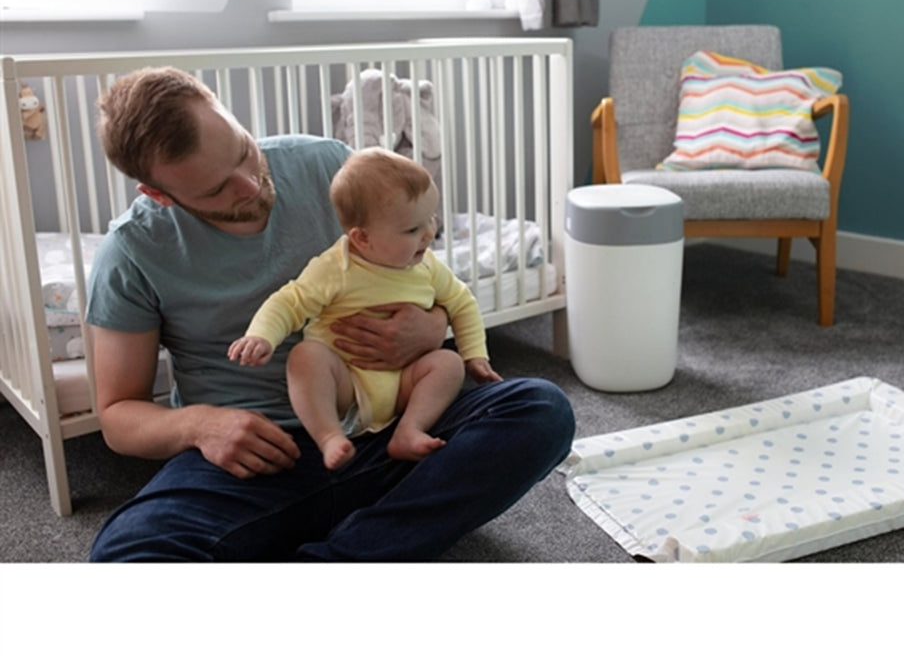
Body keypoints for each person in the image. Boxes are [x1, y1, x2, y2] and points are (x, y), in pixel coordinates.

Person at [85, 66, 575, 562]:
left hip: (388, 426)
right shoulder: (131, 253)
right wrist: (199, 426)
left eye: (244, 151)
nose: (250, 186)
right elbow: (119, 415)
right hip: (259, 458)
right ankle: (374, 541)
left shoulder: (327, 165)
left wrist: (433, 327)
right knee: (126, 554)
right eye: (216, 190)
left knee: (541, 409)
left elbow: (424, 274)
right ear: (159, 195)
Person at [228, 147, 502, 468]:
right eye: (412, 230)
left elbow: (462, 302)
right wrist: (261, 336)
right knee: (305, 357)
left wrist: (475, 355)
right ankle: (329, 436)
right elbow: (289, 302)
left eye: (430, 218)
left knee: (449, 364)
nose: (429, 234)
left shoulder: (427, 266)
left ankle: (410, 429)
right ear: (362, 238)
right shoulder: (336, 268)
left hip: (405, 382)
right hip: (347, 385)